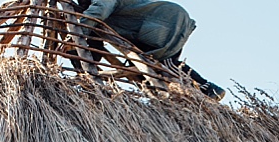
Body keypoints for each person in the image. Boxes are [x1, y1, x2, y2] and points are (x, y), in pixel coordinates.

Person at [79, 0, 225, 99]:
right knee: (149, 69)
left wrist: (77, 34)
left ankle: (208, 88)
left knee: (163, 63)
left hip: (163, 21)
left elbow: (99, 12)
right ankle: (194, 93)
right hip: (164, 18)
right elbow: (93, 45)